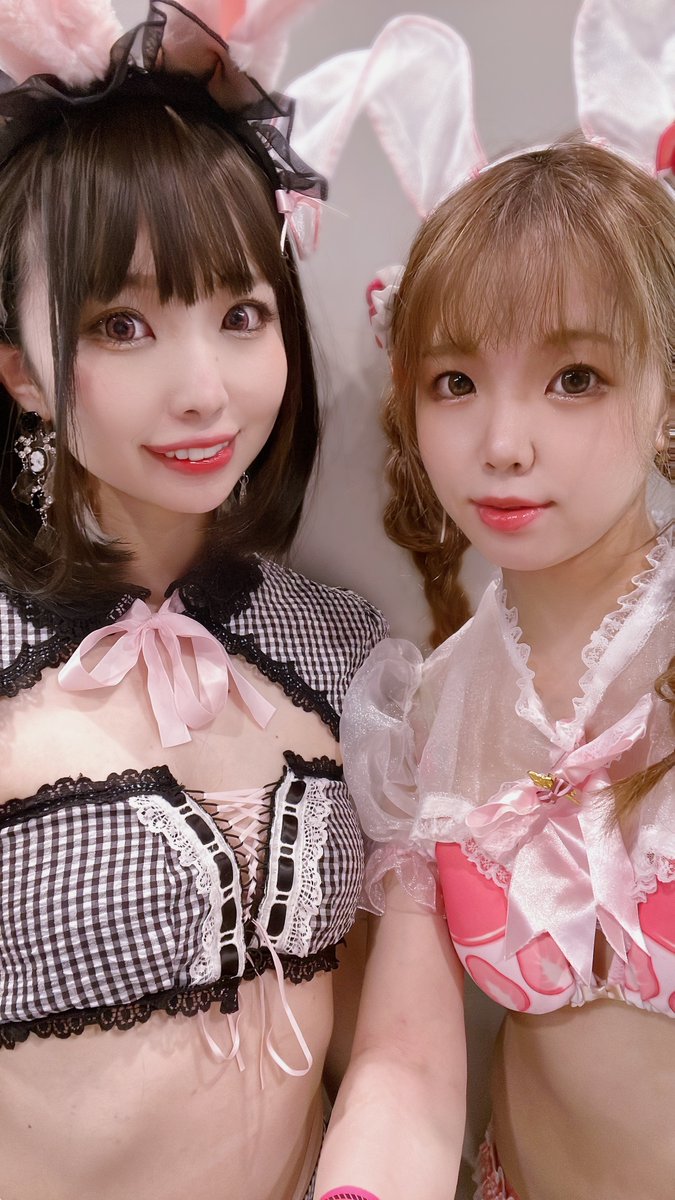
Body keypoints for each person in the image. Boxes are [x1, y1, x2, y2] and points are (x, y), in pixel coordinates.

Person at [0, 3, 389, 1198]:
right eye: (122, 325)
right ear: (19, 370)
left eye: (241, 315)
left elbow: (383, 1034)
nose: (203, 389)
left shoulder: (342, 645)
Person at [314, 137, 675, 1200]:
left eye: (574, 378)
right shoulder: (424, 713)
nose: (503, 443)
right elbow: (407, 1070)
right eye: (457, 382)